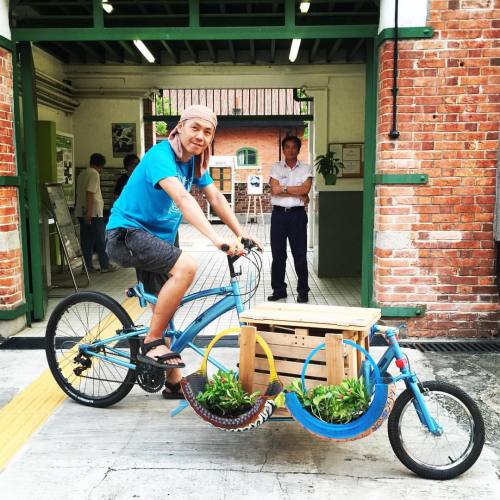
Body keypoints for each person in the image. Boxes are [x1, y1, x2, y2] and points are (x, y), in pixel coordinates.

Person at [106, 105, 260, 399]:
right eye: (195, 128)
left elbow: (214, 196)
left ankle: (174, 382)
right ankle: (152, 341)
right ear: (179, 128)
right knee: (187, 267)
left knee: (166, 307)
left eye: (208, 132)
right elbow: (182, 197)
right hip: (127, 235)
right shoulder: (160, 156)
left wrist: (240, 233)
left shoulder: (193, 163)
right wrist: (216, 239)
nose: (201, 136)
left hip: (158, 239)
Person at [268, 135, 313, 303]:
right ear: (283, 149)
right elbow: (274, 190)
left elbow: (305, 189)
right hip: (278, 215)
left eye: (294, 147)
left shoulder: (306, 168)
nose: (290, 150)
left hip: (297, 216)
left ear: (299, 149)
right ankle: (279, 290)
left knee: (299, 255)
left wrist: (284, 188)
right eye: (287, 147)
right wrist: (298, 191)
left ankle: (303, 291)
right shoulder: (276, 167)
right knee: (278, 254)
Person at [75, 153, 116, 273]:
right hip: (93, 213)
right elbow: (90, 192)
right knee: (100, 239)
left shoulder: (82, 173)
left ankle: (87, 267)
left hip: (81, 211)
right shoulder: (94, 173)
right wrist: (89, 212)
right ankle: (105, 265)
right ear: (101, 165)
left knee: (86, 241)